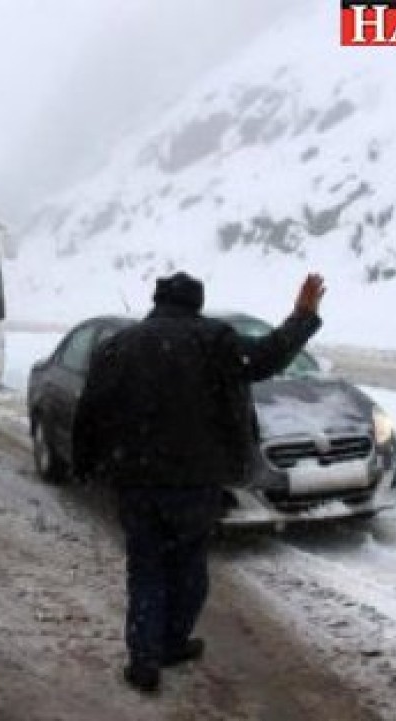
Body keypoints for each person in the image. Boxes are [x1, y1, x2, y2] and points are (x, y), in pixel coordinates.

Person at [73, 271, 325, 694]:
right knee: (189, 565)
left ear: (157, 301)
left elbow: (91, 409)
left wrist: (85, 464)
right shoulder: (215, 340)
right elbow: (266, 357)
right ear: (197, 304)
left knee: (146, 569)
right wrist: (301, 317)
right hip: (197, 480)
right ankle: (171, 643)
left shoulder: (120, 346)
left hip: (137, 479)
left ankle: (143, 660)